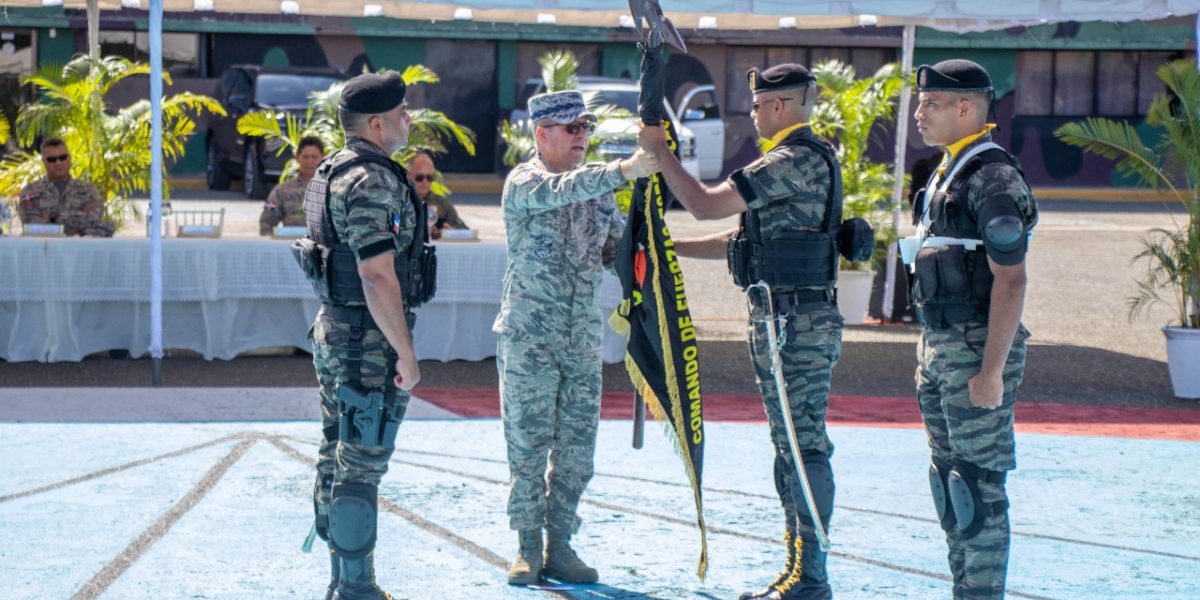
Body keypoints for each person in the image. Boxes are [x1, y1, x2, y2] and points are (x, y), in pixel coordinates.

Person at [640, 63, 843, 600]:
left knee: (801, 450)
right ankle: (801, 567)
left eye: (756, 106)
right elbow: (742, 237)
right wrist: (670, 248)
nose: (752, 116)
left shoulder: (792, 159)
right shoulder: (799, 160)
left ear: (779, 105)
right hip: (787, 319)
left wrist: (661, 154)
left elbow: (705, 204)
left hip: (794, 323)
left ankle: (812, 576)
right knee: (790, 448)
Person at [496, 90, 658, 586]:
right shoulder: (525, 182)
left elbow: (616, 251)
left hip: (580, 339)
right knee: (527, 445)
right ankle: (527, 546)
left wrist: (647, 241)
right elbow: (562, 190)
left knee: (576, 448)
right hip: (530, 339)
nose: (582, 137)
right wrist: (623, 171)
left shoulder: (599, 193)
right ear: (541, 134)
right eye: (572, 129)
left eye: (586, 128)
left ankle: (560, 543)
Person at [297, 70, 434, 600]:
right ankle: (356, 589)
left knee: (337, 453)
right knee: (361, 465)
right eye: (402, 112)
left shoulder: (333, 169)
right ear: (377, 123)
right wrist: (407, 354)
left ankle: (341, 580)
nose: (409, 118)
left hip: (337, 331)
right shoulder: (371, 180)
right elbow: (377, 275)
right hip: (365, 343)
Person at [909, 59, 1038, 599]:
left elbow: (1011, 280)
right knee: (949, 485)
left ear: (966, 109)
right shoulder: (947, 170)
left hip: (975, 350)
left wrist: (991, 372)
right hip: (940, 348)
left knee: (977, 490)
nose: (919, 113)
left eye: (930, 103)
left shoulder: (993, 176)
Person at [18, 138, 113, 237]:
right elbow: (29, 224)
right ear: (44, 162)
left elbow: (94, 219)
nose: (58, 163)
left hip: (79, 248)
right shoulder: (30, 191)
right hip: (44, 248)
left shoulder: (88, 190)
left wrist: (51, 217)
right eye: (52, 159)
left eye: (62, 157)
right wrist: (80, 215)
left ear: (69, 158)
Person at [259, 136, 325, 235]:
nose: (309, 162)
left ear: (323, 158)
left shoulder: (334, 190)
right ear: (297, 158)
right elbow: (266, 223)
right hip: (291, 244)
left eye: (314, 157)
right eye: (305, 157)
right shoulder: (282, 191)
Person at [407, 150, 468, 239]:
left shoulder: (441, 202)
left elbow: (464, 231)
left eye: (429, 177)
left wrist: (451, 231)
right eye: (419, 177)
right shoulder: (401, 201)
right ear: (409, 176)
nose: (425, 182)